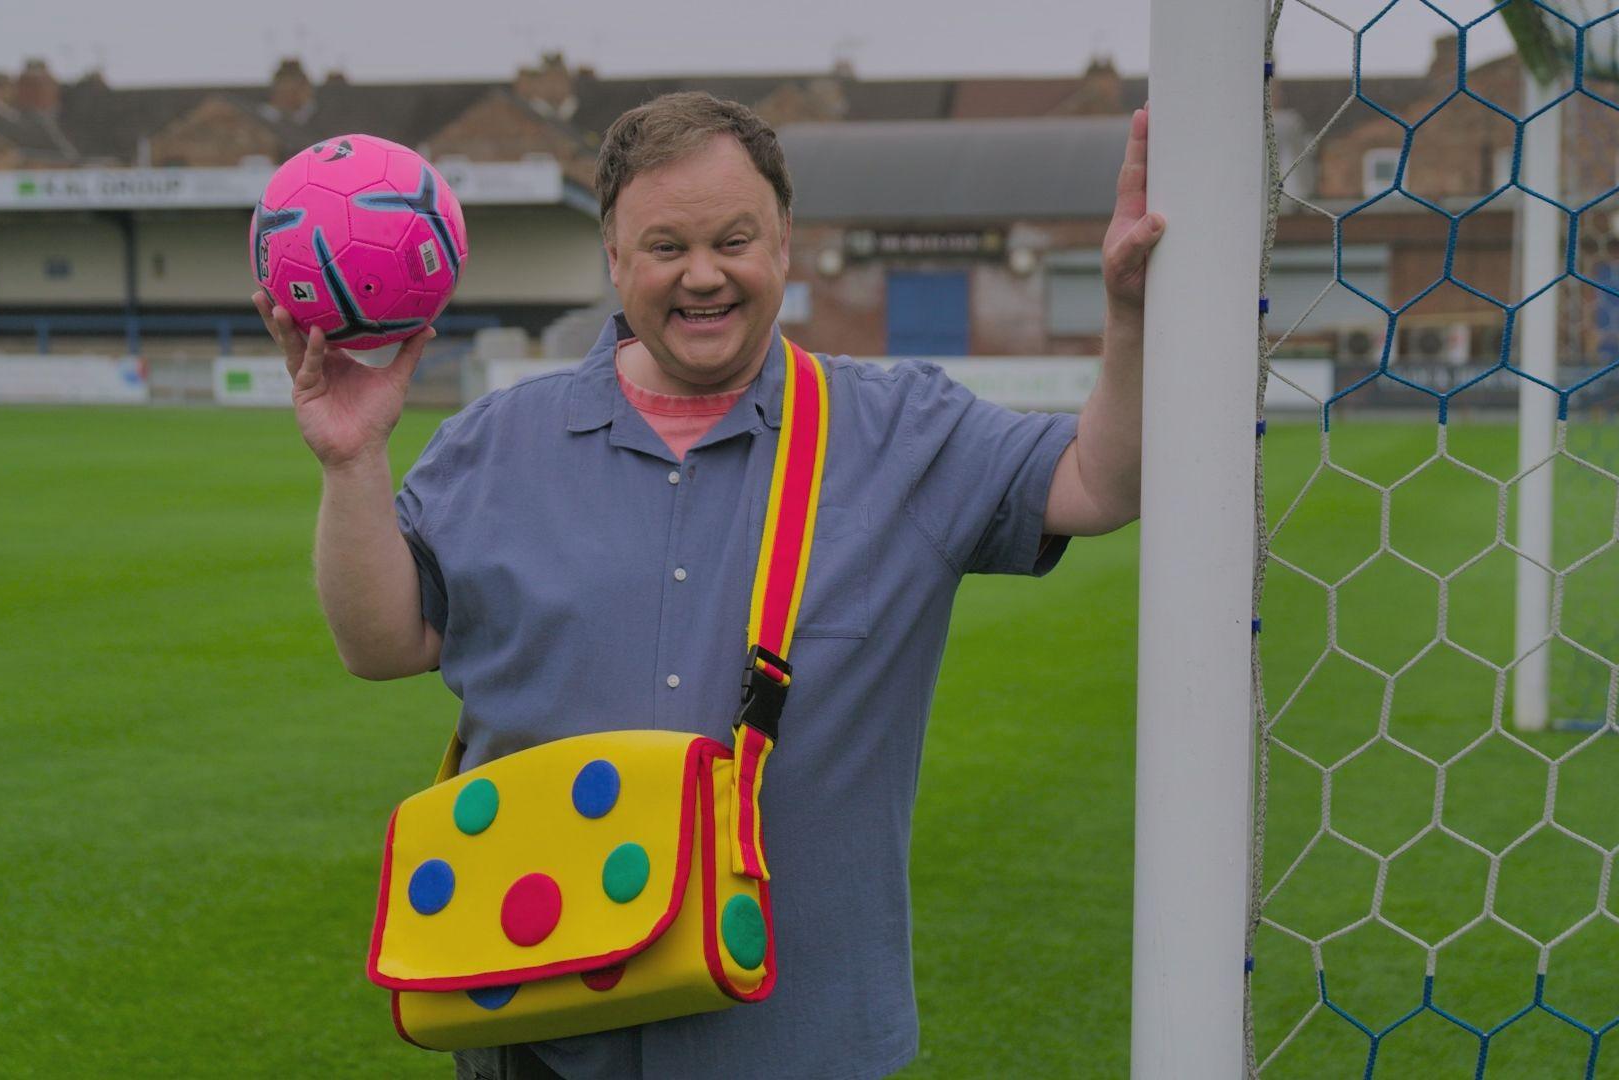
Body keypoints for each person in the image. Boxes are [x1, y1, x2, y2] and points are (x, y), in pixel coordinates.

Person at [253, 91, 1164, 1080]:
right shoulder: (494, 441)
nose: (703, 276)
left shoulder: (904, 432)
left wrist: (1130, 315)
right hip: (543, 1041)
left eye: (735, 240)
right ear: (613, 259)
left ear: (784, 244)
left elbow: (1103, 480)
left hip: (797, 1045)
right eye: (665, 246)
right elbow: (381, 645)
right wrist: (352, 463)